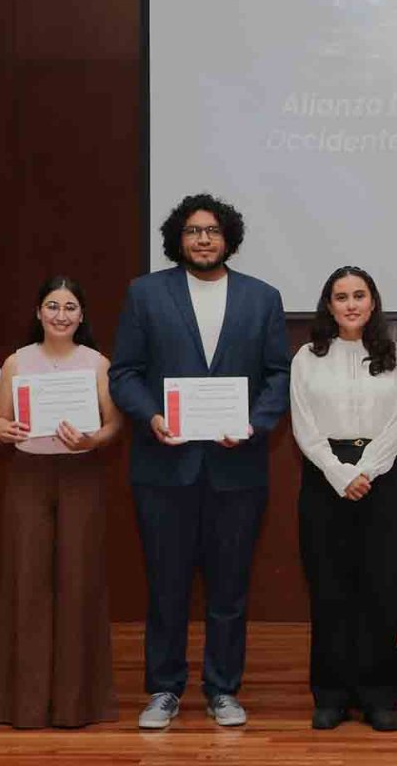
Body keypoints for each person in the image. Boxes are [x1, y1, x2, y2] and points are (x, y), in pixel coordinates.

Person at [110, 193, 291, 730]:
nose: (204, 239)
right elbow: (125, 373)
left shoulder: (262, 298)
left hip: (238, 470)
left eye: (212, 230)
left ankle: (223, 688)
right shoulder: (146, 294)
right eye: (193, 231)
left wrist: (254, 424)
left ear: (228, 238)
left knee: (229, 590)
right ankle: (164, 689)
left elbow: (279, 375)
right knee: (166, 587)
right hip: (164, 468)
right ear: (178, 239)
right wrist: (151, 417)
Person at [0, 276, 122, 729]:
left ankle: (76, 705)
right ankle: (24, 704)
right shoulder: (16, 362)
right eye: (53, 305)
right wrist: (2, 429)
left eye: (70, 307)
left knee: (79, 581)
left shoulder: (97, 363)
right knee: (27, 580)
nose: (61, 314)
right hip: (28, 475)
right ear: (38, 312)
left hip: (81, 476)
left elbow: (113, 426)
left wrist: (92, 439)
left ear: (82, 316)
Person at [290, 266, 397, 732]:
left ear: (373, 302)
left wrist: (367, 470)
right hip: (324, 478)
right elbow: (304, 425)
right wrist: (340, 473)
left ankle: (379, 695)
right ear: (329, 305)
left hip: (383, 476)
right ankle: (331, 694)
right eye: (341, 297)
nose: (351, 304)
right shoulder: (307, 357)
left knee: (381, 587)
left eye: (360, 295)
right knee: (329, 586)